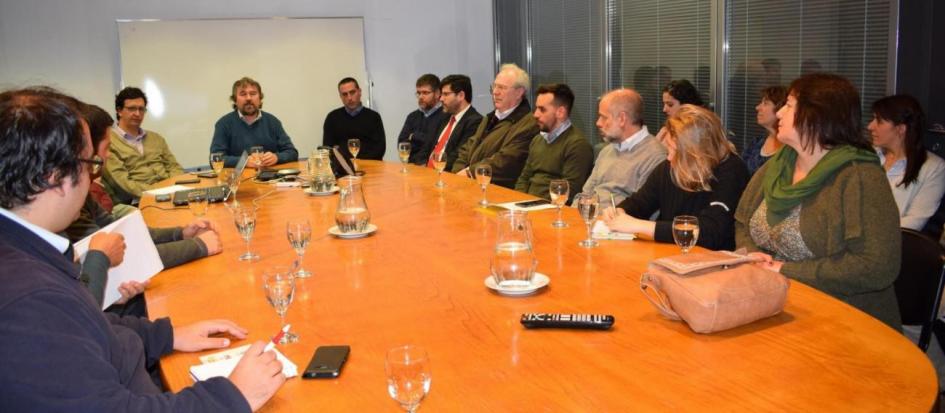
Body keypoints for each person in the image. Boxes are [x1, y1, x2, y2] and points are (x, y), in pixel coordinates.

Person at [0, 87, 284, 411]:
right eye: (91, 163)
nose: (93, 176)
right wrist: (232, 396)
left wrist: (166, 336)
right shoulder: (28, 303)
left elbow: (90, 325)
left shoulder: (27, 248)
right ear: (54, 177)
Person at [734, 73, 902, 329]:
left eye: (789, 106)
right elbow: (742, 222)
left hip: (846, 320)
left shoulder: (859, 176)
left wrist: (784, 270)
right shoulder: (778, 166)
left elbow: (877, 266)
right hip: (774, 306)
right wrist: (753, 255)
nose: (779, 114)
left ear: (816, 115)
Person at [69, 104, 223, 316]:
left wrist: (181, 233)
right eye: (107, 149)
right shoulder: (70, 204)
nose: (108, 156)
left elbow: (121, 234)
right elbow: (129, 255)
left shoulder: (83, 195)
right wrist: (198, 246)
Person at [603, 105, 749, 250]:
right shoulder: (669, 167)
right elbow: (639, 203)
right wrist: (620, 211)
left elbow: (711, 231)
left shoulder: (731, 171)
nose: (669, 157)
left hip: (711, 261)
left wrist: (640, 226)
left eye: (675, 151)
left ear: (696, 153)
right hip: (670, 254)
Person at [452, 63, 539, 188]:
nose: (495, 92)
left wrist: (469, 173)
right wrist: (457, 172)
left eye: (502, 88)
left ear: (519, 92)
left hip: (499, 191)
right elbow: (467, 149)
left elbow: (506, 162)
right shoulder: (490, 117)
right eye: (494, 86)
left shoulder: (528, 124)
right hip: (472, 185)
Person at [869, 94, 945, 231]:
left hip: (894, 244)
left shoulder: (933, 167)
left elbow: (915, 221)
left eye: (879, 121)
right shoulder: (868, 156)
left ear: (900, 129)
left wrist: (872, 235)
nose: (870, 126)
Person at [581, 88, 666, 205]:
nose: (598, 123)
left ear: (622, 119)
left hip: (615, 221)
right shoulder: (607, 150)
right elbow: (585, 194)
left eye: (604, 117)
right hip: (588, 218)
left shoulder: (655, 156)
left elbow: (643, 209)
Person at [101, 87, 184, 205]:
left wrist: (173, 186)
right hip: (138, 201)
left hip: (171, 194)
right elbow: (122, 183)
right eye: (131, 109)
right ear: (119, 111)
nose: (137, 114)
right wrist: (159, 192)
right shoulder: (109, 142)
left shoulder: (156, 138)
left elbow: (174, 166)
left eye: (141, 109)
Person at [514, 83, 593, 202]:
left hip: (552, 211)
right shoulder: (537, 140)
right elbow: (524, 179)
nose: (535, 114)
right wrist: (518, 202)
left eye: (542, 109)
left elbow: (568, 193)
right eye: (536, 108)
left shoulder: (578, 145)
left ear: (560, 112)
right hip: (527, 205)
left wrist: (532, 206)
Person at [210, 77, 299, 168]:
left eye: (253, 94)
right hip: (239, 180)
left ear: (260, 99)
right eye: (243, 94)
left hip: (269, 179)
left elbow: (292, 152)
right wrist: (243, 161)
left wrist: (277, 157)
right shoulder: (224, 124)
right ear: (235, 100)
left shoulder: (273, 122)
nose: (248, 98)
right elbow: (215, 159)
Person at [419, 74, 483, 172]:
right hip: (428, 173)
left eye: (446, 94)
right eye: (441, 94)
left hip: (447, 176)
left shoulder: (475, 122)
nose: (441, 99)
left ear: (461, 95)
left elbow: (458, 157)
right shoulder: (444, 116)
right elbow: (428, 146)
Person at [323, 77, 386, 160]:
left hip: (370, 167)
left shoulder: (374, 117)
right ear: (340, 97)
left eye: (352, 92)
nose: (349, 98)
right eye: (345, 94)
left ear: (359, 92)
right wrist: (364, 148)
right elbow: (328, 150)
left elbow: (379, 149)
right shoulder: (332, 118)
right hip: (342, 169)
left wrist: (343, 150)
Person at [398, 74, 447, 164]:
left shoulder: (446, 116)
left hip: (431, 168)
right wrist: (424, 139)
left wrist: (413, 136)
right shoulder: (412, 116)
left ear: (437, 94)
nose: (420, 97)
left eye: (425, 93)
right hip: (411, 166)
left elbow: (434, 145)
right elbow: (402, 144)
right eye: (418, 93)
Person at [741, 86, 788, 175]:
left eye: (765, 103)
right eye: (760, 103)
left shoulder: (790, 149)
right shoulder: (756, 143)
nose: (757, 107)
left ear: (780, 108)